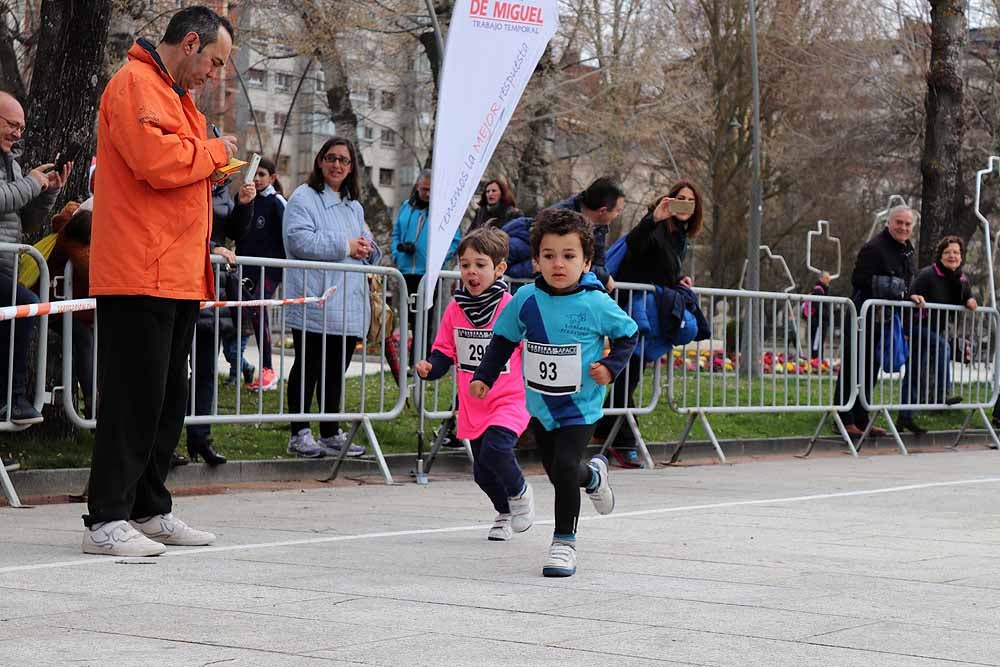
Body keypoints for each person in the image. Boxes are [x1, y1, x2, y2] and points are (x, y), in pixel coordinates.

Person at [83, 6, 238, 557]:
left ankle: (149, 507)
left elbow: (181, 164)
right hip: (138, 270)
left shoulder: (178, 97)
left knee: (167, 396)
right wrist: (216, 153)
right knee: (132, 397)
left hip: (174, 272)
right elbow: (157, 161)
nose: (213, 75)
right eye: (213, 62)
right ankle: (105, 518)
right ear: (190, 42)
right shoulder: (134, 84)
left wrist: (210, 164)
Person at [471, 208, 638, 577]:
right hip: (541, 406)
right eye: (548, 256)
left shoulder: (595, 302)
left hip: (580, 406)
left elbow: (629, 334)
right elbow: (502, 340)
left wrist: (611, 367)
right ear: (535, 260)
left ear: (587, 261)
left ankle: (564, 542)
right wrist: (484, 375)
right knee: (557, 469)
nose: (558, 264)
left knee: (564, 467)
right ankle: (593, 477)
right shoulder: (526, 299)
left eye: (568, 256)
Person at [415, 227, 533, 541]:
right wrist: (432, 367)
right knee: (482, 472)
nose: (471, 271)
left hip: (510, 399)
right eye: (465, 264)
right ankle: (504, 511)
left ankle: (520, 492)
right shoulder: (455, 309)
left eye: (479, 264)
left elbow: (530, 350)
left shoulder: (512, 306)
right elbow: (445, 350)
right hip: (472, 403)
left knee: (496, 450)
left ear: (499, 269)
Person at [593, 181, 704, 467]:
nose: (683, 204)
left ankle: (605, 431)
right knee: (627, 374)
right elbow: (636, 251)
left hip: (651, 312)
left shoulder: (680, 237)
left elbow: (659, 269)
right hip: (634, 310)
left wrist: (677, 280)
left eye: (689, 201)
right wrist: (654, 218)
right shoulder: (654, 226)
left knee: (630, 374)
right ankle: (623, 439)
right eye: (679, 198)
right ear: (668, 200)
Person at [282, 136, 378, 459]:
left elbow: (364, 241)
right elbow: (299, 240)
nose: (338, 165)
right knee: (308, 367)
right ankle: (299, 432)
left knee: (336, 369)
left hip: (348, 304)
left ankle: (330, 430)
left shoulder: (354, 206)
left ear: (351, 169)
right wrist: (346, 246)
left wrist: (368, 248)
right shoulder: (303, 198)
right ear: (320, 161)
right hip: (315, 299)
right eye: (332, 158)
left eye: (344, 161)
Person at [0, 90, 70, 426]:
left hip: (5, 267)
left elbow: (25, 222)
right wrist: (31, 182)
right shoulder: (15, 171)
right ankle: (11, 400)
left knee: (21, 309)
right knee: (25, 304)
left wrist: (47, 191)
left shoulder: (11, 164)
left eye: (21, 128)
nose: (17, 134)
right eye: (11, 125)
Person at [184, 178, 257, 466]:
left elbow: (236, 231)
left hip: (215, 286)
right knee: (174, 372)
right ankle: (160, 444)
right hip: (184, 278)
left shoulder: (221, 190)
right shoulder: (187, 181)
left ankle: (200, 437)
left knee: (206, 369)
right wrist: (211, 248)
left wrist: (243, 205)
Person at [833, 205, 921, 438]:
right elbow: (860, 279)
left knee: (871, 369)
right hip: (863, 315)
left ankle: (861, 419)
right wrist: (902, 291)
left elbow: (906, 282)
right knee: (854, 367)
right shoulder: (874, 247)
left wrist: (910, 294)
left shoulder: (907, 250)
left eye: (907, 224)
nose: (903, 227)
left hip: (885, 318)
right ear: (888, 223)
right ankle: (844, 419)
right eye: (899, 222)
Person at [897, 236, 976, 434]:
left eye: (956, 252)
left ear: (961, 256)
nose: (952, 256)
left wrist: (971, 301)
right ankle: (944, 393)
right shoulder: (928, 274)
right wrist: (913, 297)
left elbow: (968, 296)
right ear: (940, 255)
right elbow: (909, 294)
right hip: (915, 326)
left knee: (915, 372)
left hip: (934, 329)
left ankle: (904, 418)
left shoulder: (961, 278)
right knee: (943, 347)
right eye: (948, 252)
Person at [46, 201, 95, 419]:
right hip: (57, 306)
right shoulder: (76, 243)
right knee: (85, 341)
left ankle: (97, 402)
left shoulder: (76, 221)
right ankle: (95, 405)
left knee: (91, 342)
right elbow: (92, 273)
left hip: (75, 308)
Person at [241, 157, 286, 391]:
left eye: (262, 174)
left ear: (272, 178)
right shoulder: (246, 199)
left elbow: (290, 234)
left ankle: (268, 369)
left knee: (258, 309)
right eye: (254, 174)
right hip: (245, 269)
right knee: (239, 315)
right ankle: (236, 367)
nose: (257, 179)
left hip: (270, 269)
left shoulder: (277, 202)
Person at [550, 177, 626, 290]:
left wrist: (603, 277)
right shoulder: (559, 219)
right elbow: (566, 259)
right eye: (618, 211)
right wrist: (604, 277)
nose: (618, 215)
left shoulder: (600, 225)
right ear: (603, 211)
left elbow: (598, 262)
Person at [805, 271, 832, 360]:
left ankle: (817, 361)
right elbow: (818, 306)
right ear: (821, 279)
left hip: (819, 321)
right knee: (816, 343)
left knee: (818, 342)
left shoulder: (821, 290)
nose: (829, 280)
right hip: (818, 322)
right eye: (827, 278)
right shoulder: (818, 290)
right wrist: (826, 316)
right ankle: (816, 361)